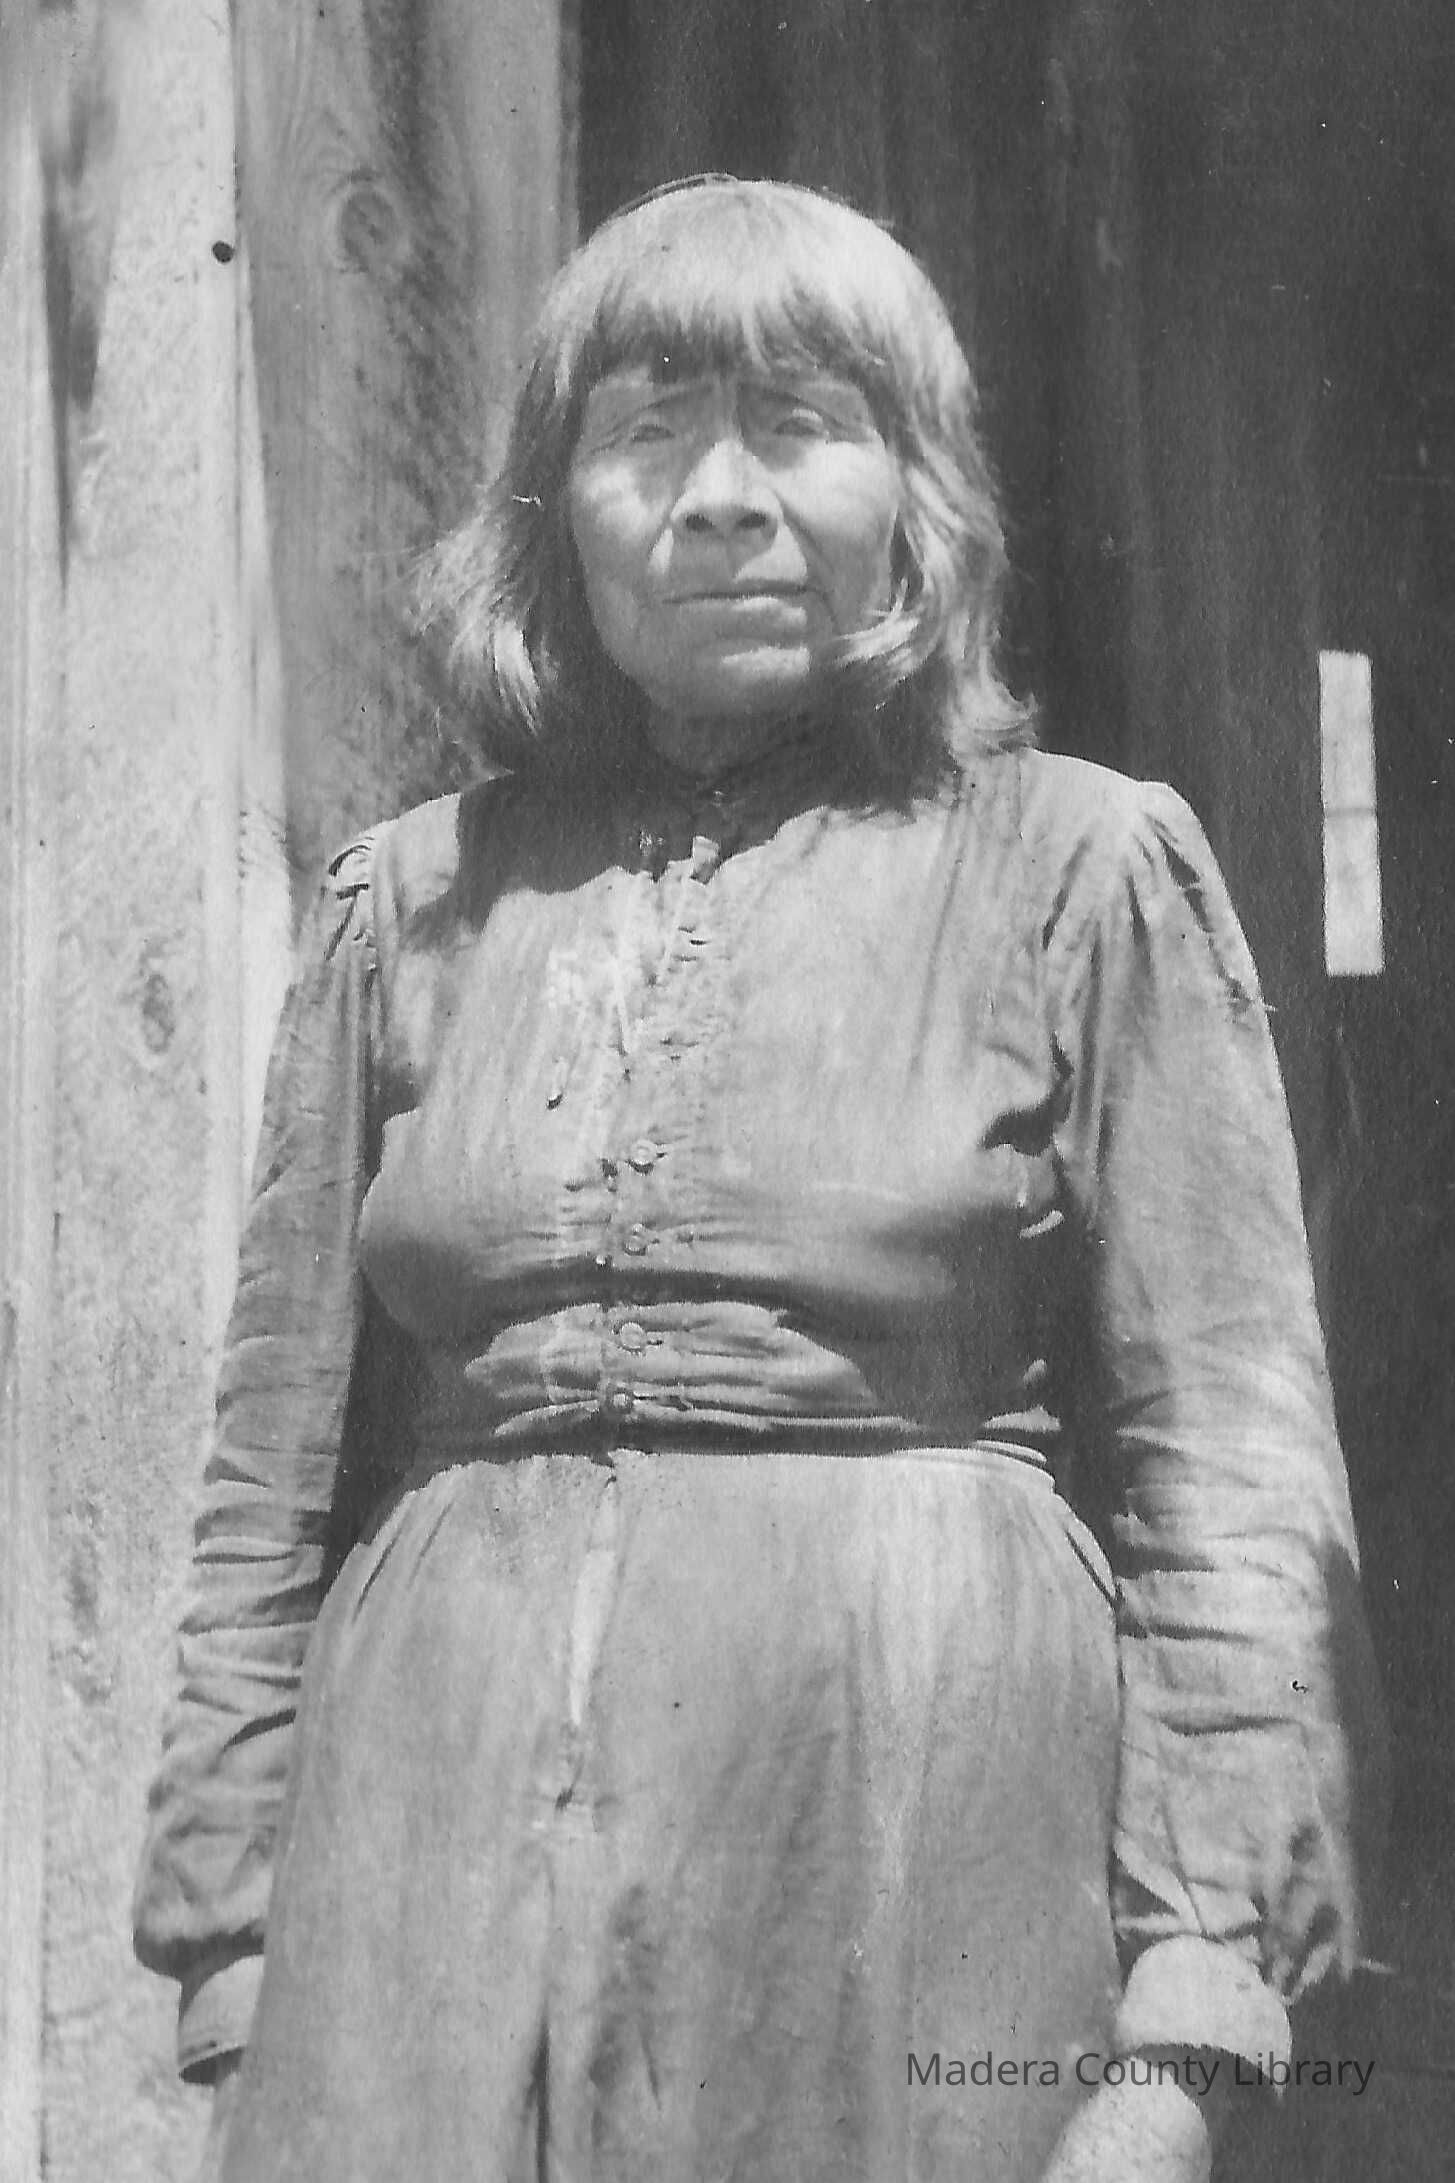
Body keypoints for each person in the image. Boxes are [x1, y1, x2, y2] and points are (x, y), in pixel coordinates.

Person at [134, 177, 1380, 2183]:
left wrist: (1189, 2017)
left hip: (910, 1865)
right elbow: (265, 1479)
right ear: (557, 515)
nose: (722, 498)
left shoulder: (1079, 871)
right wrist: (234, 1954)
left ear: (913, 494)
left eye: (798, 423)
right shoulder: (407, 902)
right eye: (648, 433)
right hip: (423, 1895)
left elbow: (1229, 1482)